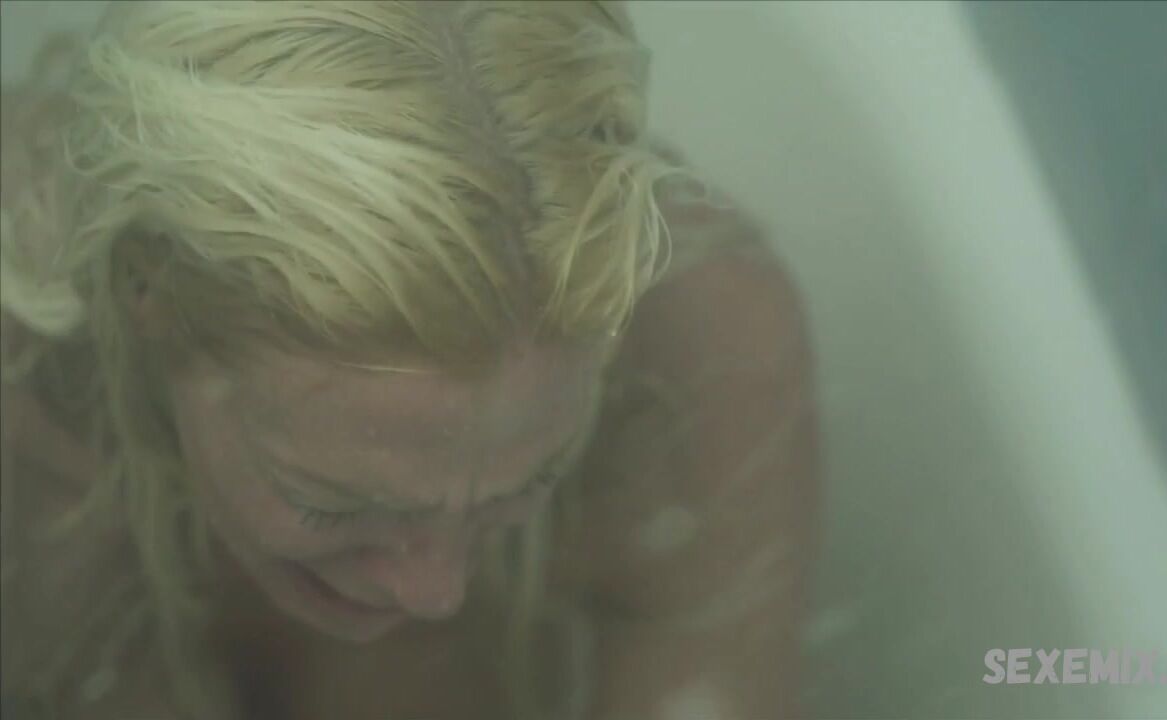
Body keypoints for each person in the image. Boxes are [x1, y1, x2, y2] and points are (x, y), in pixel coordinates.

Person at [0, 2, 820, 718]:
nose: (436, 590)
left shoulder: (699, 353)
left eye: (529, 482)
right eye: (332, 504)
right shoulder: (20, 368)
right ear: (147, 288)